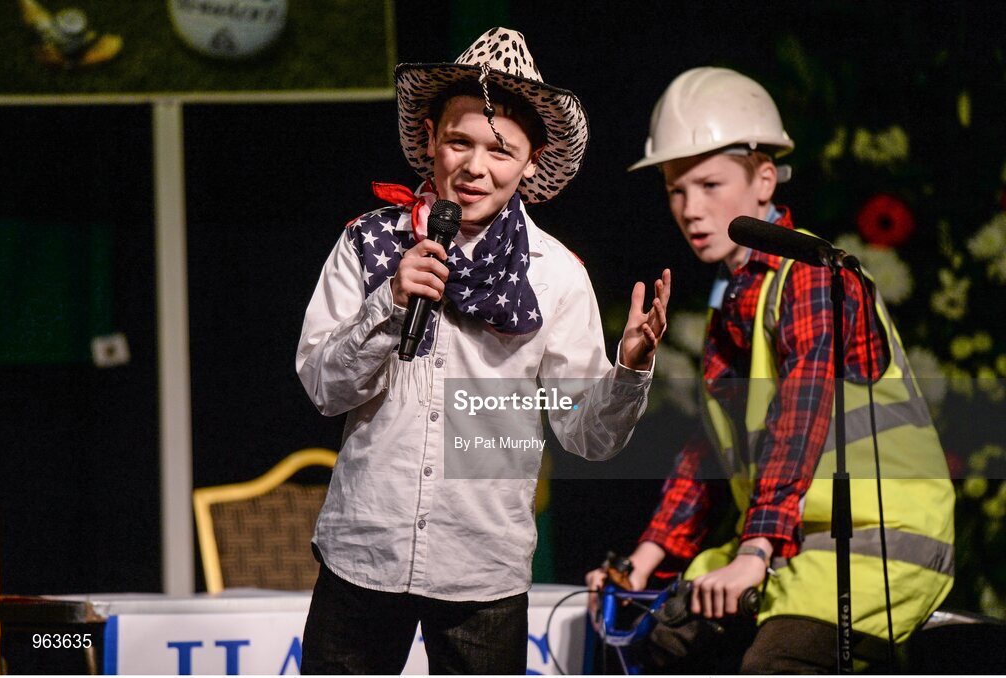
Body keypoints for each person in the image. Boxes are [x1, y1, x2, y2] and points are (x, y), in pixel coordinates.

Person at [296, 28, 671, 675]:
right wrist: (388, 302)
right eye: (460, 142)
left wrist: (629, 369)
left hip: (481, 567)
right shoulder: (368, 244)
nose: (475, 166)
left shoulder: (554, 273)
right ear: (431, 140)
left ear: (530, 161)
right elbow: (324, 388)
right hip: (365, 551)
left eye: (501, 149)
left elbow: (586, 435)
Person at [586, 67, 955, 673]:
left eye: (709, 185)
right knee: (661, 639)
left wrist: (755, 550)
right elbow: (709, 453)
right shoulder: (731, 300)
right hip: (793, 546)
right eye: (676, 190)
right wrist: (641, 561)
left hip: (876, 545)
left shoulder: (811, 274)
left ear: (763, 180)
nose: (690, 209)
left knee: (775, 666)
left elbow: (800, 419)